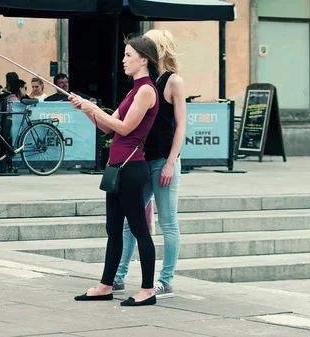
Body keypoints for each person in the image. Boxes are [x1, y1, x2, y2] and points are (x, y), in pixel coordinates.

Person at [70, 35, 160, 307]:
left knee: (138, 229)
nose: (123, 60)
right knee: (113, 229)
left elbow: (124, 128)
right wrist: (85, 109)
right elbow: (108, 127)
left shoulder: (146, 90)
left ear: (144, 60)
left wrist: (94, 107)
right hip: (117, 168)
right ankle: (106, 285)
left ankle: (147, 289)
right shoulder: (134, 90)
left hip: (132, 169)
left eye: (128, 55)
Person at [114, 29, 186, 299]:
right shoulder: (143, 82)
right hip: (142, 160)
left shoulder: (173, 81)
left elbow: (180, 126)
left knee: (168, 222)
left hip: (163, 161)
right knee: (129, 220)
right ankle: (119, 275)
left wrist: (170, 163)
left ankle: (165, 280)